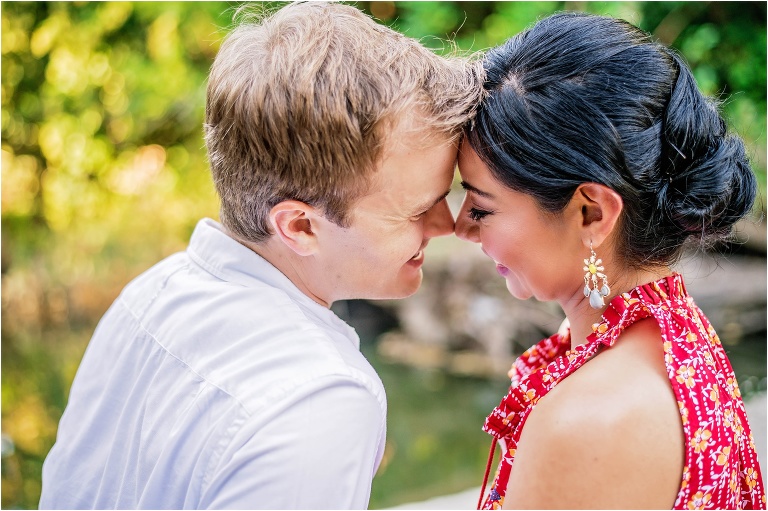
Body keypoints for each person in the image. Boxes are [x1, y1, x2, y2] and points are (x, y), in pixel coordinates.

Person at [39, 3, 481, 509]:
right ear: (299, 226)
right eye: (416, 210)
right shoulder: (320, 399)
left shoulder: (146, 297)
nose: (448, 225)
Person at [455, 12, 766, 510]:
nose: (460, 227)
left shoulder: (588, 422)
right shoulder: (674, 337)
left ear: (591, 213)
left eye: (482, 207)